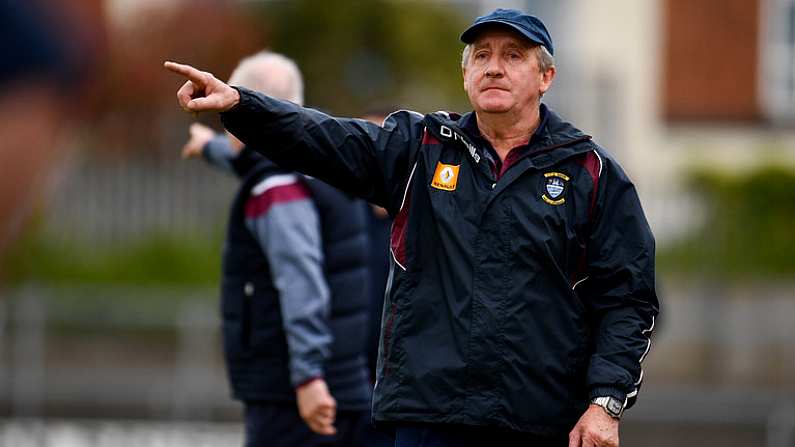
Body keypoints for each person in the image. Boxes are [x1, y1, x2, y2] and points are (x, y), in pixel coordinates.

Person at [166, 9, 659, 447]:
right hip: (428, 419)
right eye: (481, 55)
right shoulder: (421, 148)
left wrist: (605, 402)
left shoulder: (588, 172)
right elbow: (322, 137)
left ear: (546, 75)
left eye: (513, 55)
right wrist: (240, 105)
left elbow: (629, 299)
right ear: (465, 74)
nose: (493, 66)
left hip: (537, 422)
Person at [180, 51, 373, 447]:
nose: (226, 124)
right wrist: (208, 148)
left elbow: (299, 280)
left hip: (296, 398)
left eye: (230, 110)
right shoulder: (327, 160)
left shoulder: (275, 187)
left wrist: (307, 377)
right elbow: (249, 160)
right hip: (346, 384)